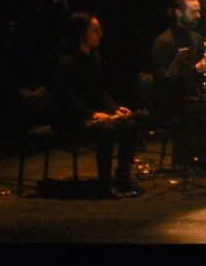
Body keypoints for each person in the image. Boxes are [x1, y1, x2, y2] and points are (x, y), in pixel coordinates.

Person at [50, 14, 145, 198]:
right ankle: (104, 185)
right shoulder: (67, 62)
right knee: (107, 131)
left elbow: (98, 91)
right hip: (70, 117)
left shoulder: (94, 58)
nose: (100, 34)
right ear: (80, 34)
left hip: (91, 114)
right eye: (94, 30)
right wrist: (92, 113)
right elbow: (67, 97)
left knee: (129, 126)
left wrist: (114, 108)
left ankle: (123, 179)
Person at [146, 0, 206, 175]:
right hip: (173, 99)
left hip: (194, 97)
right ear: (179, 13)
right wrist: (195, 69)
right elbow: (163, 79)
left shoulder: (196, 39)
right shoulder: (164, 42)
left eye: (199, 12)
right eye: (193, 12)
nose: (198, 16)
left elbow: (203, 75)